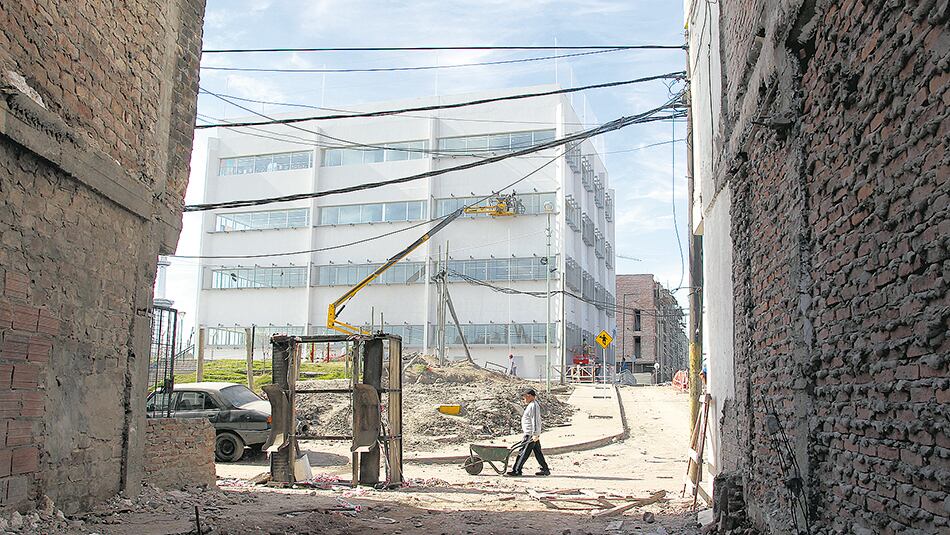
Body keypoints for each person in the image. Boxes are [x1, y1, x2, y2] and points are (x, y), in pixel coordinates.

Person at [506, 388, 550, 477]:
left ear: (529, 396)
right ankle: (545, 469)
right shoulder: (532, 405)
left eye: (524, 397)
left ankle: (517, 470)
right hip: (532, 434)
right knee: (538, 452)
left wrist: (535, 434)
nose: (524, 399)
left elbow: (535, 420)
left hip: (530, 434)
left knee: (523, 452)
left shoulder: (533, 406)